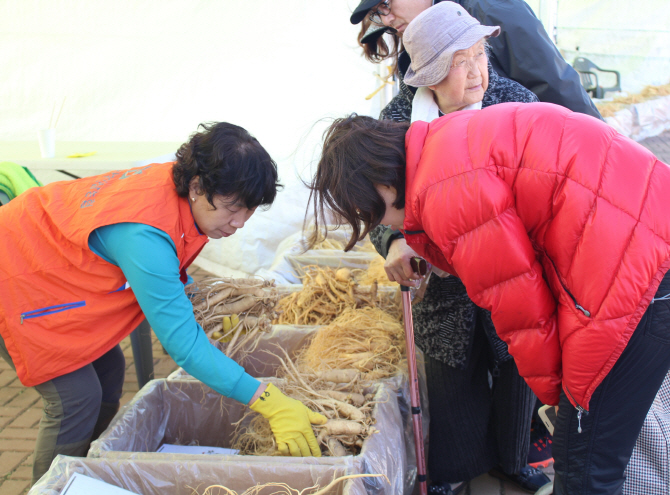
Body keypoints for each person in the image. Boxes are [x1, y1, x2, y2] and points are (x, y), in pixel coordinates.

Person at [306, 103, 670, 495]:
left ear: (382, 184)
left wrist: (556, 396)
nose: (375, 221)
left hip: (635, 273)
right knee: (589, 449)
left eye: (365, 208)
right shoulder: (442, 145)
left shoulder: (446, 193)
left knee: (585, 468)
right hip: (643, 237)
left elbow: (523, 312)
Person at [0, 122, 326, 485]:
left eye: (247, 212)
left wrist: (207, 304)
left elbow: (172, 265)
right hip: (17, 273)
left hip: (49, 261)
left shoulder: (178, 188)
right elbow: (183, 345)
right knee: (75, 399)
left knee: (109, 371)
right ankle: (50, 487)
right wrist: (267, 400)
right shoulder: (144, 234)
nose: (238, 224)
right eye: (231, 209)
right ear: (198, 186)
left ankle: (83, 476)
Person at [365, 3, 550, 494]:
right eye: (460, 61)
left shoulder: (516, 103)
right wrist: (395, 241)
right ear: (427, 73)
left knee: (516, 372)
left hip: (512, 273)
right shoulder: (400, 119)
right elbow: (379, 202)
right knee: (451, 378)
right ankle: (455, 473)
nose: (478, 73)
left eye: (480, 56)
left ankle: (514, 461)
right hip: (442, 283)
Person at [350, 0, 601, 118]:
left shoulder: (492, 10)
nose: (385, 19)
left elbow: (555, 84)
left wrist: (606, 151)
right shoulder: (397, 116)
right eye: (377, 13)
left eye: (386, 3)